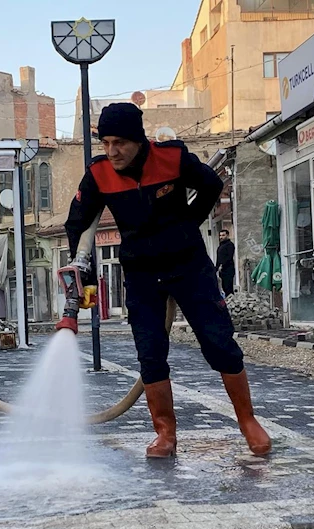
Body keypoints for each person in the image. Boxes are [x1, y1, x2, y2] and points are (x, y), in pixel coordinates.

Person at [63, 103, 270, 458]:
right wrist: (83, 272)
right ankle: (166, 433)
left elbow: (211, 184)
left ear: (139, 141)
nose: (112, 152)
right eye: (106, 143)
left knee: (219, 344)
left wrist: (189, 221)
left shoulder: (172, 158)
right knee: (150, 354)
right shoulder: (99, 174)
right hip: (142, 274)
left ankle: (248, 421)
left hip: (188, 265)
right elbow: (77, 223)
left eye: (120, 144)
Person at [216, 229, 236, 297]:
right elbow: (219, 258)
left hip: (228, 270)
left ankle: (231, 301)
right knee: (224, 288)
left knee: (228, 288)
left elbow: (229, 257)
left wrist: (222, 265)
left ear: (227, 235)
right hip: (222, 270)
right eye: (220, 235)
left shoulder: (230, 245)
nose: (221, 237)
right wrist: (216, 268)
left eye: (223, 235)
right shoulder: (221, 245)